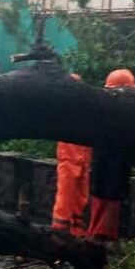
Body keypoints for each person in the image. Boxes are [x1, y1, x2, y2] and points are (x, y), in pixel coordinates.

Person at [86, 68, 135, 242]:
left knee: (112, 196)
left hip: (115, 161)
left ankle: (105, 234)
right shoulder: (109, 111)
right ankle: (100, 234)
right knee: (106, 195)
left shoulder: (124, 111)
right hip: (107, 160)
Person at [51, 74, 92, 237]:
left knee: (80, 199)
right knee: (65, 199)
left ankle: (77, 232)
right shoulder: (64, 108)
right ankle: (59, 233)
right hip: (69, 160)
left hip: (82, 161)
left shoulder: (85, 108)